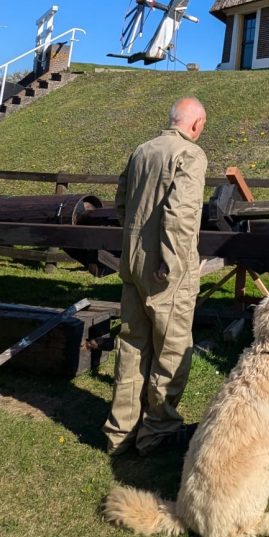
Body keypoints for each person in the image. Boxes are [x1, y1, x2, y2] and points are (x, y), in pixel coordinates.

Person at [103, 96, 209, 456]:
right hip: (166, 269)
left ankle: (120, 433)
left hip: (133, 263)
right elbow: (180, 214)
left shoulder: (141, 151)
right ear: (195, 125)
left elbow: (120, 201)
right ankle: (157, 432)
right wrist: (169, 259)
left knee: (132, 344)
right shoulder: (190, 155)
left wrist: (137, 241)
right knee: (173, 348)